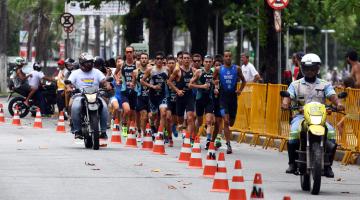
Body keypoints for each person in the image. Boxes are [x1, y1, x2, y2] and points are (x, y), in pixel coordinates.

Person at [281, 53, 344, 178]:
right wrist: (285, 103)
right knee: (293, 132)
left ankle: (327, 166)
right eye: (307, 68)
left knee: (331, 132)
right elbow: (288, 96)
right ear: (302, 68)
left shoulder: (325, 84)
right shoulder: (295, 84)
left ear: (317, 69)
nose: (310, 71)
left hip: (320, 118)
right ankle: (292, 163)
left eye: (313, 68)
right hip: (301, 117)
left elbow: (332, 96)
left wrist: (338, 103)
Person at [66, 52, 112, 140]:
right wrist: (68, 87)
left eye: (91, 62)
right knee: (75, 107)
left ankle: (103, 131)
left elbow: (103, 81)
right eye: (87, 62)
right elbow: (69, 83)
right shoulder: (75, 73)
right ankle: (77, 130)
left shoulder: (97, 72)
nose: (89, 64)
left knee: (105, 107)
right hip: (80, 95)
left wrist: (107, 85)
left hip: (96, 95)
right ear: (82, 63)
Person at [213, 50, 246, 154]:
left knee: (231, 122)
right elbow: (213, 79)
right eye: (226, 56)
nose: (228, 58)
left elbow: (244, 81)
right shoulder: (219, 69)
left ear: (231, 57)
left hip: (233, 98)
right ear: (223, 58)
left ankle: (227, 142)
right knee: (226, 121)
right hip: (223, 98)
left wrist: (240, 90)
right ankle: (228, 144)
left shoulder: (237, 69)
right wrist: (216, 86)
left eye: (229, 56)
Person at [167, 52, 196, 143]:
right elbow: (169, 82)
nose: (186, 60)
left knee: (190, 118)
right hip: (180, 97)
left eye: (188, 58)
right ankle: (180, 126)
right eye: (185, 58)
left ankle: (189, 138)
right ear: (182, 60)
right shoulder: (177, 71)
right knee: (180, 120)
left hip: (190, 96)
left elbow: (198, 81)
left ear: (190, 60)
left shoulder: (194, 70)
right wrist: (177, 90)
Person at [141, 51, 169, 140]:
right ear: (155, 60)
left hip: (163, 95)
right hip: (152, 96)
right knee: (154, 115)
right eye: (157, 59)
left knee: (163, 113)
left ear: (163, 60)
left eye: (161, 59)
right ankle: (152, 124)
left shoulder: (167, 69)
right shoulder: (151, 70)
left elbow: (171, 79)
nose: (159, 60)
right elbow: (142, 81)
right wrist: (152, 86)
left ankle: (160, 133)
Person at [189, 55, 215, 149]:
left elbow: (216, 83)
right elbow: (190, 85)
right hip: (199, 99)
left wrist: (216, 89)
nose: (208, 63)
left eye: (210, 62)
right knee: (199, 122)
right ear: (203, 63)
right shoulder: (199, 72)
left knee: (209, 121)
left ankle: (208, 140)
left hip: (209, 99)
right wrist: (202, 87)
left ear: (212, 62)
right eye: (206, 62)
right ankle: (193, 138)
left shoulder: (214, 72)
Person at [115, 46, 137, 136]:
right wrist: (117, 80)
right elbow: (116, 73)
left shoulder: (137, 64)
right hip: (124, 91)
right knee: (127, 110)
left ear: (133, 53)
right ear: (125, 53)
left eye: (130, 52)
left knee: (132, 113)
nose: (129, 54)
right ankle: (123, 124)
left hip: (135, 91)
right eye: (127, 52)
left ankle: (130, 129)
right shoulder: (121, 64)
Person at [133, 53, 152, 142]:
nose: (144, 60)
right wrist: (131, 85)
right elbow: (133, 84)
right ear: (139, 60)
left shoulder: (151, 71)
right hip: (140, 96)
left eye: (145, 58)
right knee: (143, 116)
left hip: (150, 96)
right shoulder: (136, 72)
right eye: (142, 58)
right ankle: (141, 133)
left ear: (148, 60)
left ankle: (148, 131)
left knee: (150, 117)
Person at [166, 55, 178, 145]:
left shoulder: (178, 73)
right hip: (168, 98)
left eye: (172, 63)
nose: (171, 65)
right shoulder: (165, 73)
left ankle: (174, 126)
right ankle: (170, 138)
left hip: (177, 98)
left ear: (175, 63)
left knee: (175, 119)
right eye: (169, 63)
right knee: (168, 117)